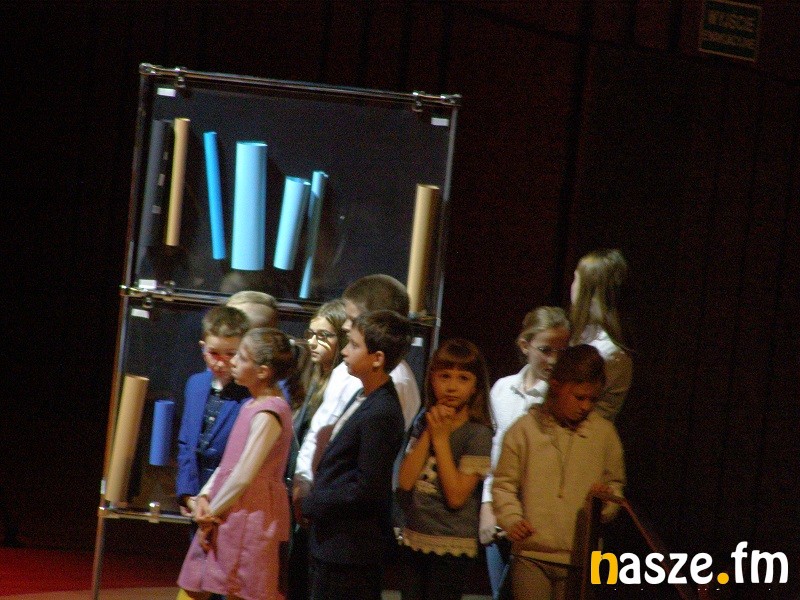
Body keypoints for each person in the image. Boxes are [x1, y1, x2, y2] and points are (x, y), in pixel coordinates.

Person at [492, 344, 625, 600]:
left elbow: (615, 486)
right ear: (556, 385)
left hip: (581, 558)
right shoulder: (525, 430)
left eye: (592, 400)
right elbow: (503, 485)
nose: (586, 406)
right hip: (531, 554)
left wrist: (604, 503)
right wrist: (512, 519)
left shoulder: (604, 434)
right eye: (579, 397)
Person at [177, 328, 295, 600]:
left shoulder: (269, 412)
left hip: (248, 515)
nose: (232, 362)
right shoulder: (251, 404)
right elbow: (228, 462)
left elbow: (244, 474)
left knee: (238, 588)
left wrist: (211, 512)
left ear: (263, 371)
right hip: (228, 508)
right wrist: (205, 495)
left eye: (241, 358)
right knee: (197, 584)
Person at [301, 310, 411, 600]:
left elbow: (366, 488)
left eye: (353, 345)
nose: (344, 351)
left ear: (377, 358)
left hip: (351, 549)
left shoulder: (382, 412)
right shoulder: (364, 396)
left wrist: (314, 501)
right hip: (335, 543)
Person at [292, 275, 421, 508]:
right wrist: (303, 479)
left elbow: (368, 465)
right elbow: (323, 426)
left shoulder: (395, 381)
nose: (344, 326)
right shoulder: (347, 369)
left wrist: (319, 499)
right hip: (319, 492)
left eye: (352, 319)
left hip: (342, 504)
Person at [479, 306, 571, 600]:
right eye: (545, 350)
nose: (553, 359)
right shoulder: (503, 389)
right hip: (499, 514)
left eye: (561, 351)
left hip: (534, 520)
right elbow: (493, 453)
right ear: (524, 345)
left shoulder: (561, 400)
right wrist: (487, 505)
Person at [396, 338, 493, 600]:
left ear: (475, 387)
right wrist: (431, 431)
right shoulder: (424, 421)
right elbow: (405, 482)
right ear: (432, 379)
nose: (452, 386)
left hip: (451, 545)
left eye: (463, 379)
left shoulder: (477, 434)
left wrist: (440, 440)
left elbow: (456, 496)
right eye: (444, 376)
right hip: (415, 536)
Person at [287, 299, 347, 600]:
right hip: (297, 488)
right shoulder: (309, 376)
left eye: (324, 336)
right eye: (310, 334)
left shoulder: (344, 383)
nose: (312, 342)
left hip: (319, 492)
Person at [176, 305, 251, 517]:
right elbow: (186, 443)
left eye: (231, 354)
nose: (220, 362)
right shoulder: (196, 384)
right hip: (196, 495)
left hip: (233, 501)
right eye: (214, 353)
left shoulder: (251, 392)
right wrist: (187, 495)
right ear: (203, 347)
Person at [569, 248, 633, 421]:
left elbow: (570, 406)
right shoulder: (580, 334)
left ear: (591, 291)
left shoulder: (608, 353)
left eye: (576, 279)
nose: (572, 286)